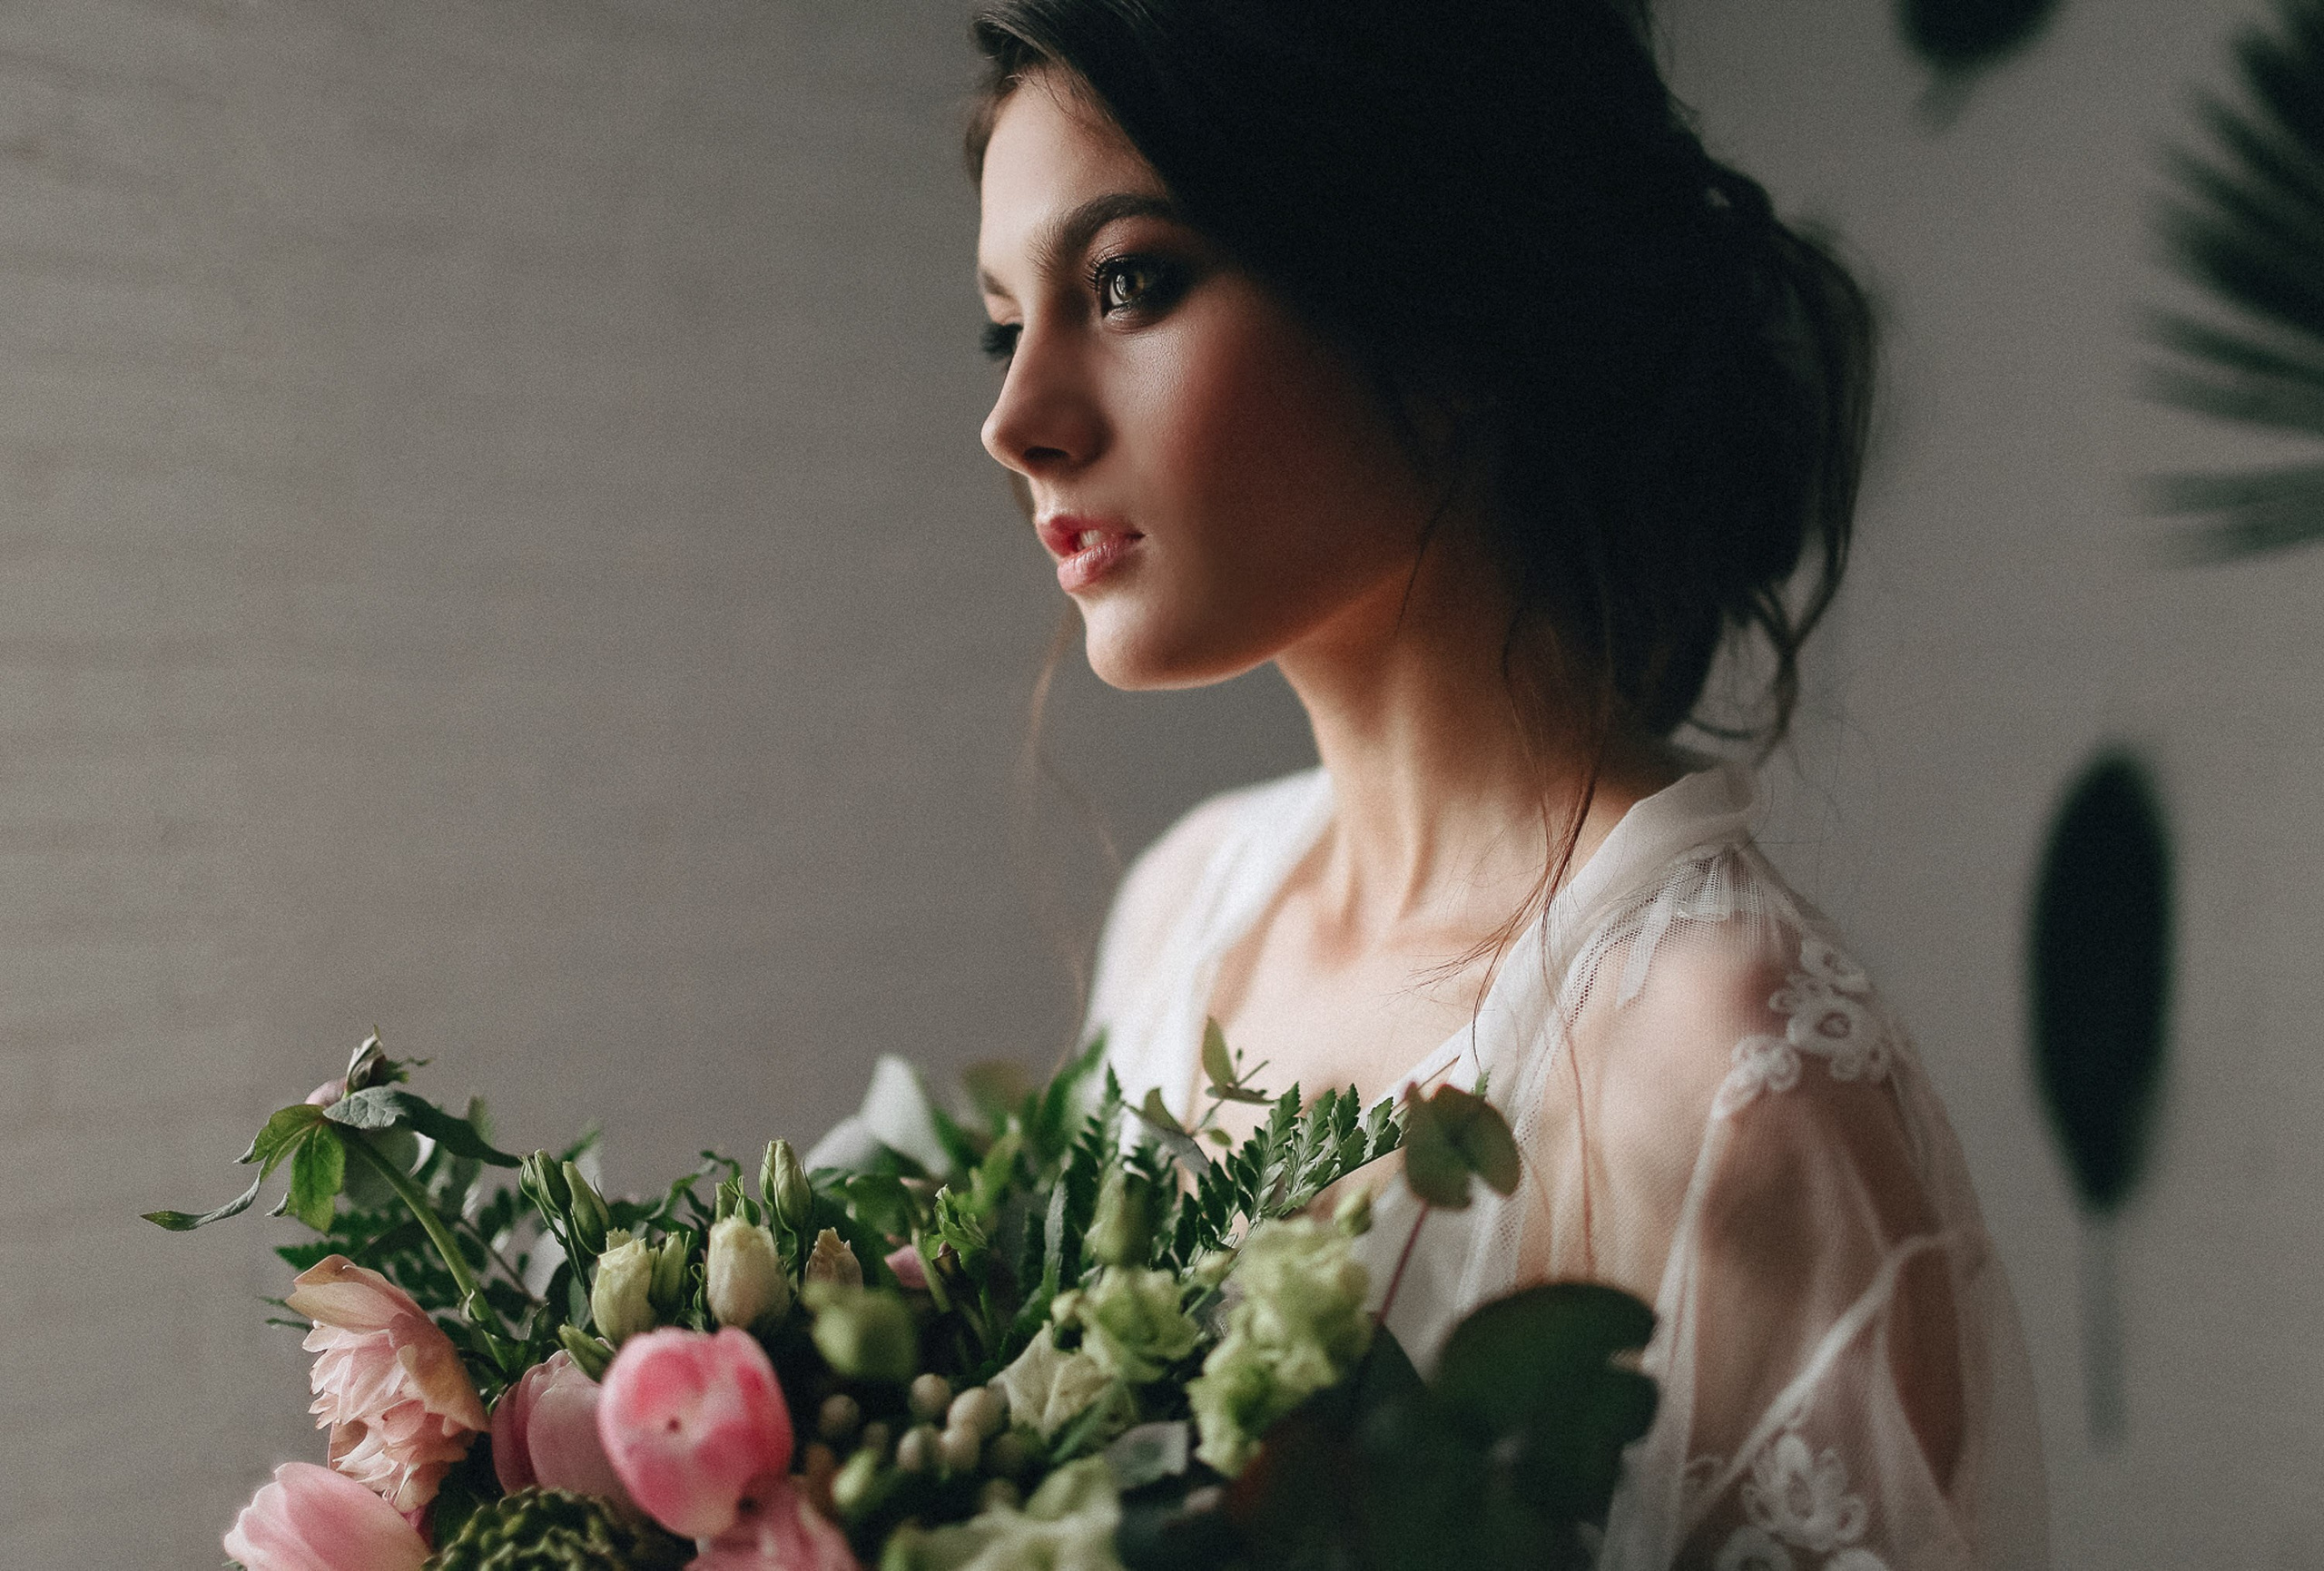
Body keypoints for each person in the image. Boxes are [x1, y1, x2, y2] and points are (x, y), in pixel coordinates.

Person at [965, 2, 2047, 1566]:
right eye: (1004, 327)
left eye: (1128, 284)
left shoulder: (1728, 1069)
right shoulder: (1186, 905)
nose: (1017, 422)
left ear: (1445, 303)